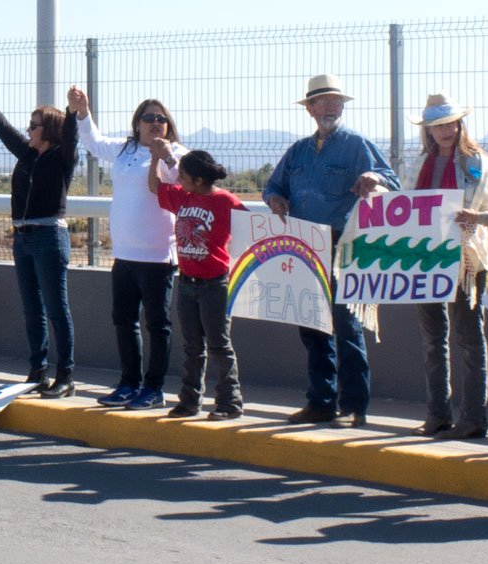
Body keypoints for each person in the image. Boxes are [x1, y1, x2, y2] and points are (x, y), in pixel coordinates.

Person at [264, 74, 399, 427]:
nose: (331, 106)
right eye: (323, 101)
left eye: (336, 100)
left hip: (344, 244)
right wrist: (276, 198)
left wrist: (376, 180)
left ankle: (354, 405)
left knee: (346, 325)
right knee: (311, 325)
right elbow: (273, 186)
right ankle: (321, 400)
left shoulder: (357, 145)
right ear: (309, 108)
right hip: (305, 244)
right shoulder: (297, 151)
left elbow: (392, 181)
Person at [75, 92, 186, 409]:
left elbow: (183, 181)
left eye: (161, 119)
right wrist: (83, 112)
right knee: (124, 320)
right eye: (148, 118)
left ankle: (154, 388)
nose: (155, 123)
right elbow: (94, 143)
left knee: (157, 324)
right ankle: (129, 382)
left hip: (158, 256)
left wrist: (166, 157)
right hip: (124, 255)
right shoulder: (125, 150)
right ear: (137, 124)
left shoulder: (177, 152)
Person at [0, 80, 79, 397]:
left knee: (57, 308)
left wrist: (71, 111)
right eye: (29, 125)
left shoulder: (62, 157)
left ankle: (66, 375)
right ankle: (37, 371)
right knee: (32, 309)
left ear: (50, 130)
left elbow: (71, 136)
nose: (29, 130)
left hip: (48, 237)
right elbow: (1, 125)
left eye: (35, 126)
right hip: (23, 238)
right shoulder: (27, 155)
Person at [409, 94, 488, 439]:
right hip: (426, 259)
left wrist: (467, 219)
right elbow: (408, 204)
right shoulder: (421, 164)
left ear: (459, 124)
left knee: (468, 338)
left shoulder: (476, 163)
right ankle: (437, 413)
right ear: (429, 131)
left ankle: (473, 417)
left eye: (450, 123)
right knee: (432, 338)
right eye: (438, 125)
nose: (446, 130)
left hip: (466, 260)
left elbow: (487, 203)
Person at [148, 147, 245, 420]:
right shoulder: (183, 197)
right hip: (187, 283)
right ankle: (190, 401)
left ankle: (229, 402)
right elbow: (155, 186)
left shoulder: (225, 201)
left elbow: (253, 226)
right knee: (192, 346)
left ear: (199, 180)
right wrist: (156, 159)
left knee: (219, 344)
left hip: (215, 284)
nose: (178, 177)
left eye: (183, 174)